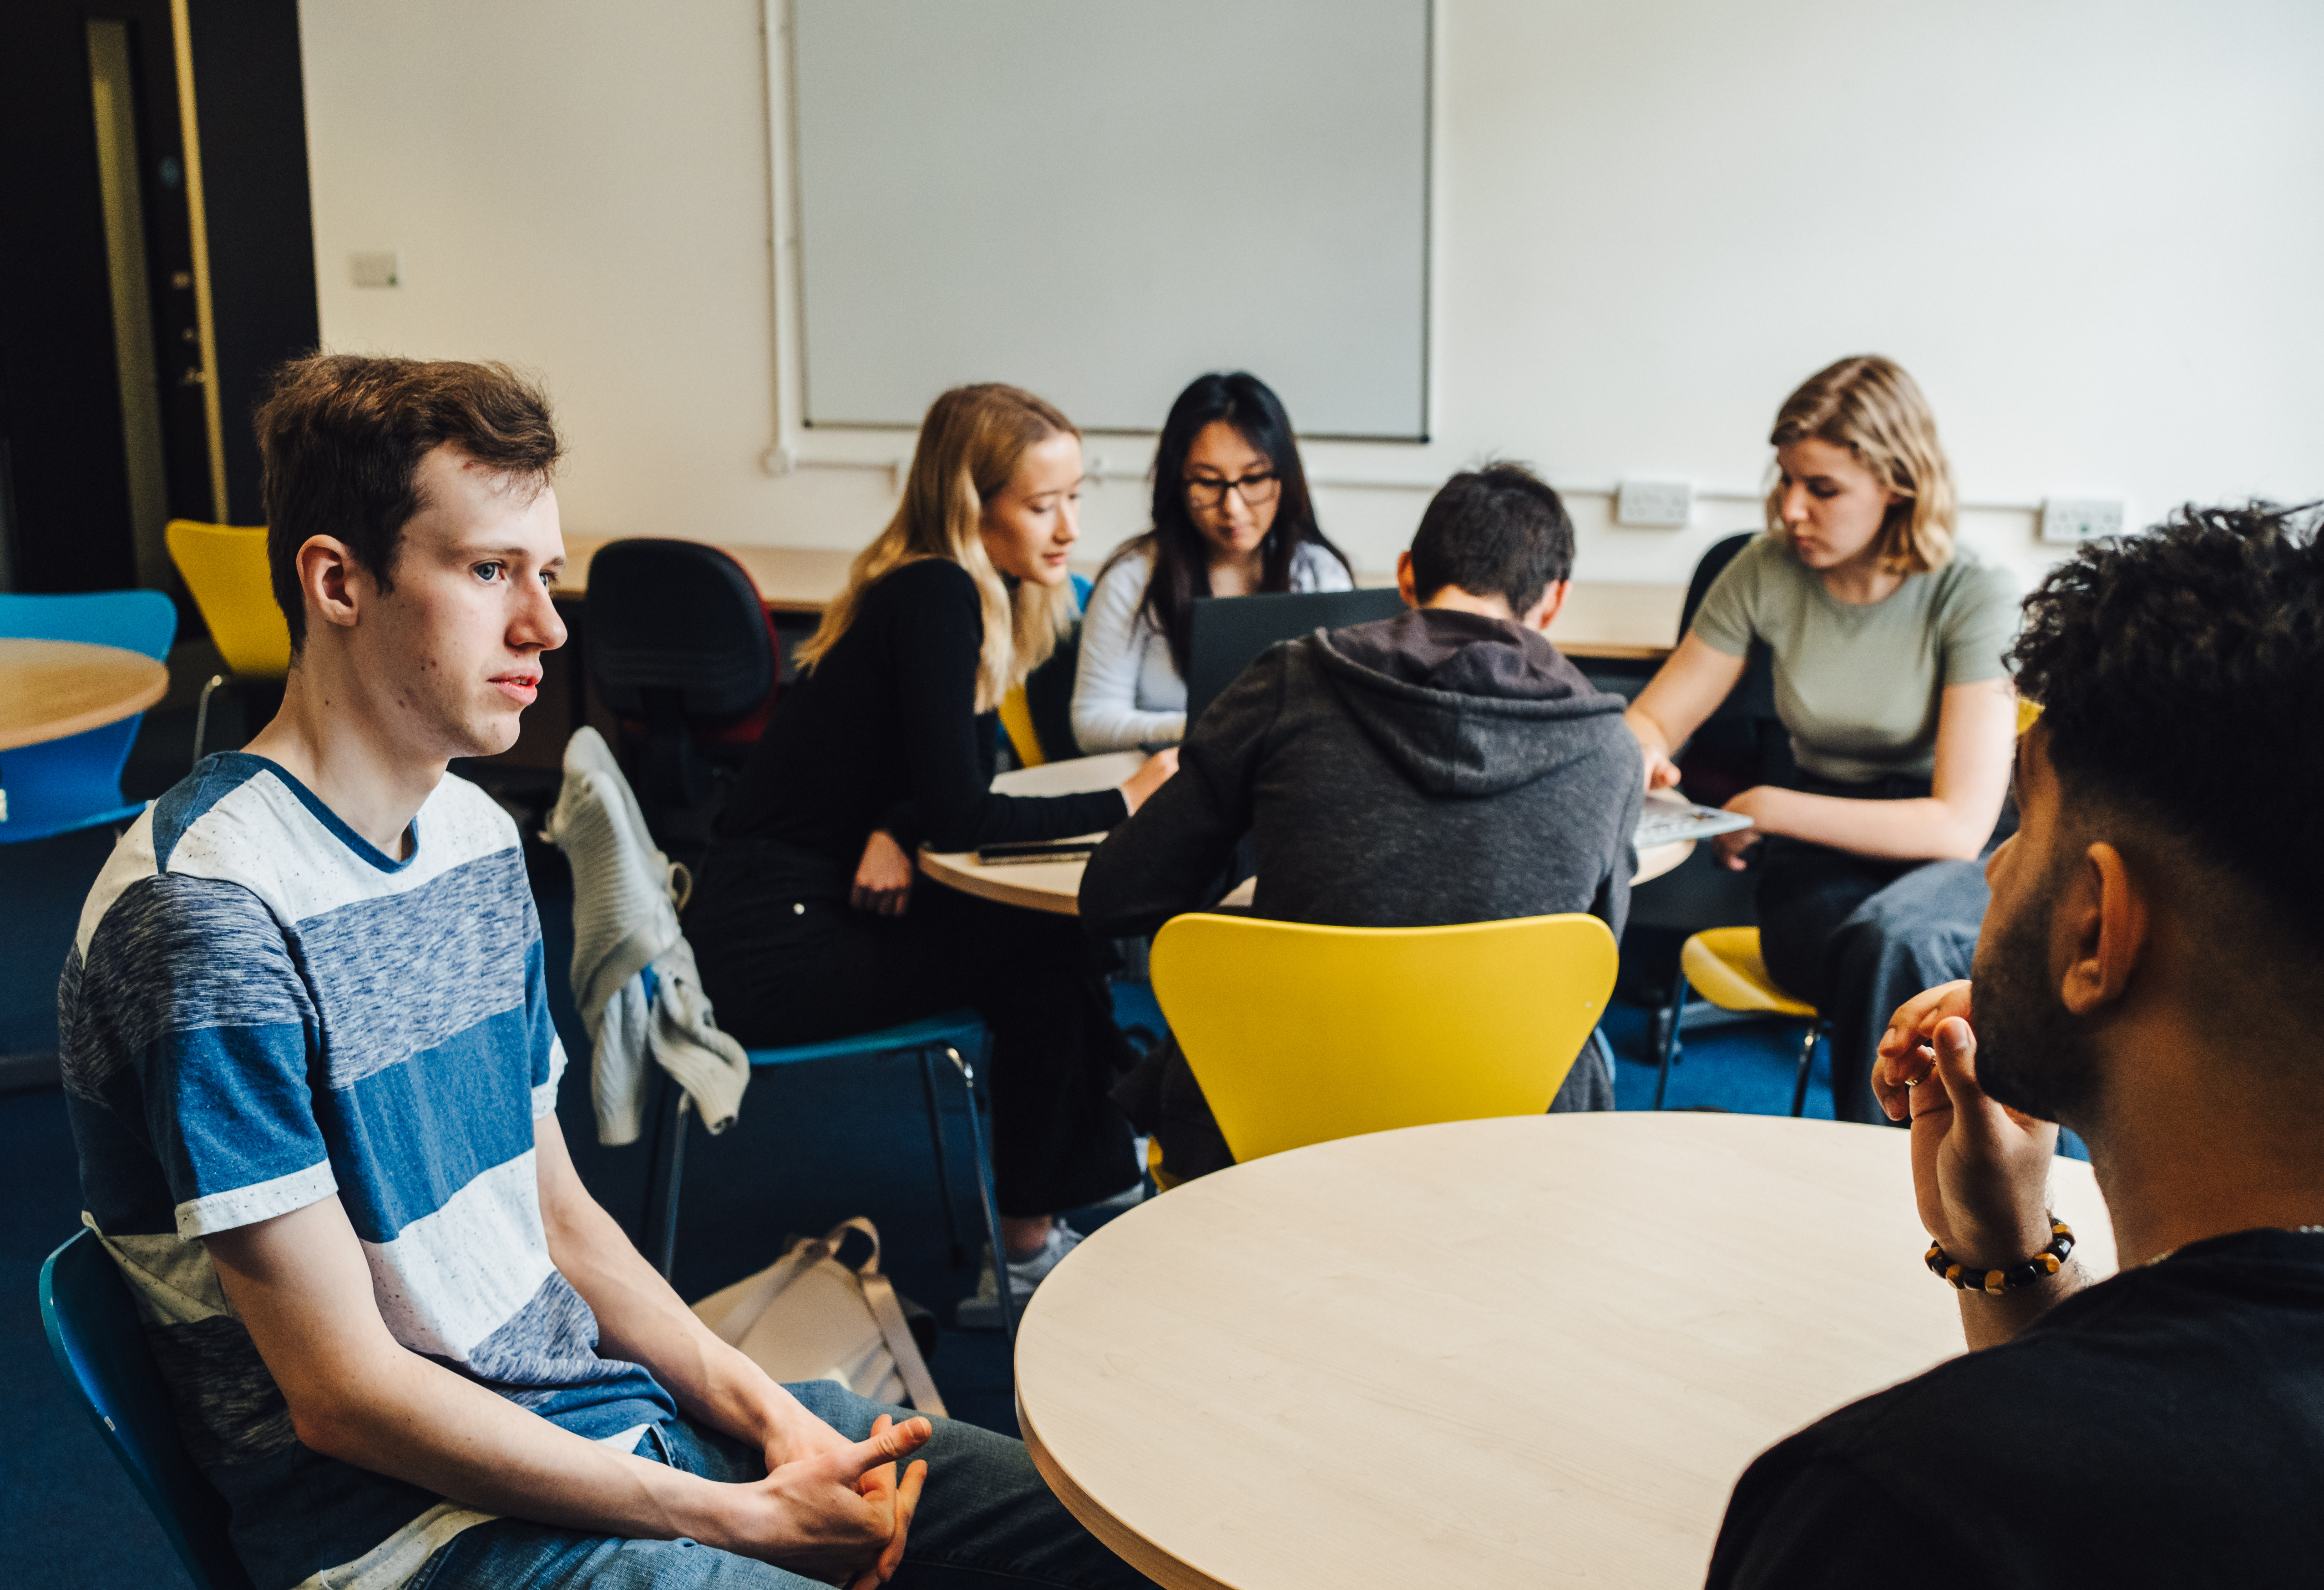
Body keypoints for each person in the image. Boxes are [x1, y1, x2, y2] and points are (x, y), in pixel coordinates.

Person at [58, 355, 1201, 1590]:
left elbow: (562, 1217)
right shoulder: (206, 912)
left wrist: (762, 1408)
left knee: (1146, 1546)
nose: (548, 626)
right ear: (336, 581)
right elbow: (346, 1396)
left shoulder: (476, 836)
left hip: (605, 1426)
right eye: (491, 573)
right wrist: (729, 1516)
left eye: (548, 574)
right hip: (422, 1560)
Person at [1675, 504, 2324, 1590]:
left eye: (2024, 825)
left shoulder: (1911, 1518)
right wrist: (2009, 1258)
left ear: (2097, 924)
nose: (1992, 864)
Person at [685, 383, 1175, 1326]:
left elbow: (926, 769)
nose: (1070, 527)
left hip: (802, 898)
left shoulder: (942, 588)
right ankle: (1046, 1232)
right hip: (771, 941)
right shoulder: (939, 593)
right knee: (1040, 954)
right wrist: (1124, 798)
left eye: (1076, 496)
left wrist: (893, 823)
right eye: (1042, 504)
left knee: (1048, 949)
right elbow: (961, 809)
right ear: (971, 504)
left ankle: (1074, 1194)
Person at [1079, 463, 1644, 1182]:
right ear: (1555, 600)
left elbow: (1116, 897)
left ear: (1406, 575)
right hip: (1511, 1131)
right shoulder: (1611, 750)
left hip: (1277, 1119)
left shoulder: (1287, 683)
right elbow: (1587, 966)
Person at [1621, 355, 2021, 1123]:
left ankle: (1911, 1181)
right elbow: (1652, 718)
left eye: (1823, 489)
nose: (1791, 509)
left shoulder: (1975, 590)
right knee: (1887, 954)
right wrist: (1638, 750)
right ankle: (1917, 1178)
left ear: (1899, 485)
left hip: (1953, 857)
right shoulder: (1763, 571)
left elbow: (1958, 824)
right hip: (1820, 863)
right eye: (1785, 481)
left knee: (1897, 945)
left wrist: (1769, 807)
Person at [1069, 371, 1352, 754]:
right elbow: (1092, 722)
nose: (1232, 508)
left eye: (1253, 479)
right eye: (1207, 482)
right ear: (1177, 481)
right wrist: (1208, 726)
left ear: (1284, 477)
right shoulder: (1133, 578)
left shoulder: (1320, 574)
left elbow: (1346, 713)